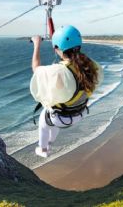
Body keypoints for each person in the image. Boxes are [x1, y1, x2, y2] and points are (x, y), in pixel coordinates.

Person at [29, 25, 103, 158]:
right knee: (52, 116)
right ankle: (50, 142)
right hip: (79, 113)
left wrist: (36, 45)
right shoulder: (91, 65)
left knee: (44, 121)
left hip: (61, 118)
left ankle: (43, 149)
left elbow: (36, 69)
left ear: (57, 48)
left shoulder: (59, 71)